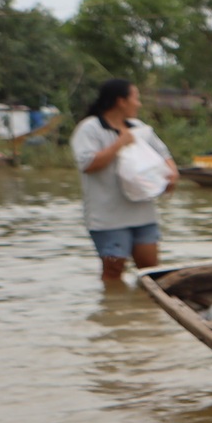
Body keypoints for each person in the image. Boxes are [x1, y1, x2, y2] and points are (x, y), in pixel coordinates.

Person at [71, 78, 179, 280]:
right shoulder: (90, 129)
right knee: (113, 271)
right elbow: (88, 165)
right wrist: (119, 143)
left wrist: (172, 174)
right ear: (121, 101)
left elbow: (164, 154)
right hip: (108, 218)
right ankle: (112, 300)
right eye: (135, 98)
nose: (139, 104)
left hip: (143, 213)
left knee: (151, 271)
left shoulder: (138, 127)